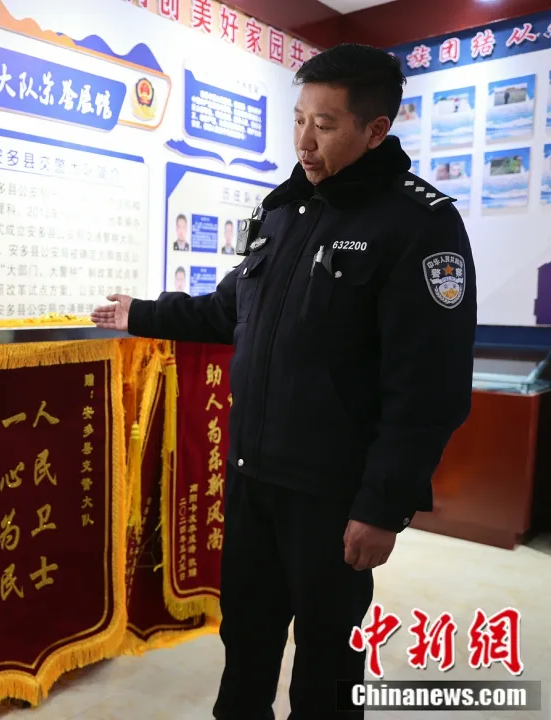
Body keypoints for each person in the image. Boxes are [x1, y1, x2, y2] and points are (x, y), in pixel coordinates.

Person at [92, 44, 476, 719]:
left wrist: (382, 507)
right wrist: (141, 314)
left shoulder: (418, 224)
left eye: (324, 125)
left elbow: (429, 388)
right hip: (254, 480)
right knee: (246, 641)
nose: (304, 141)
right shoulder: (287, 210)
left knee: (328, 664)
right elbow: (229, 309)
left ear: (375, 129)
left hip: (333, 496)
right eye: (299, 119)